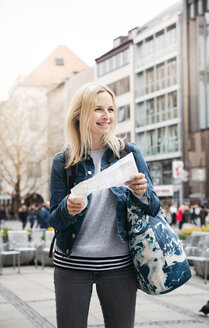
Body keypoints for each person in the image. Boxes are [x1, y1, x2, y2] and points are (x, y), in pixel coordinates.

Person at [49, 82, 160, 328]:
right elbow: (54, 220)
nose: (106, 115)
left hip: (119, 267)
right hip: (72, 265)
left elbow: (153, 207)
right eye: (98, 109)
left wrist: (142, 192)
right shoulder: (64, 161)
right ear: (80, 114)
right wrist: (67, 208)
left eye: (110, 109)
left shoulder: (128, 152)